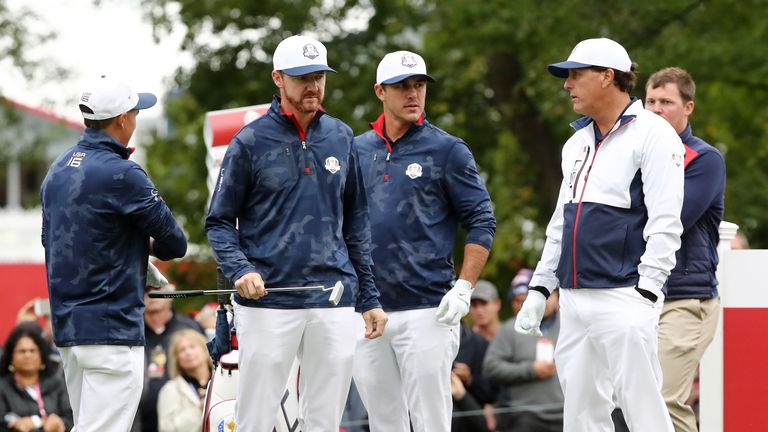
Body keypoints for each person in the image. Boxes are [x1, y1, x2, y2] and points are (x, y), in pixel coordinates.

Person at [205, 34, 388, 431]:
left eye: (319, 75)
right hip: (268, 299)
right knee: (257, 416)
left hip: (334, 296)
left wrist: (369, 296)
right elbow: (219, 222)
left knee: (324, 418)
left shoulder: (341, 136)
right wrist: (240, 270)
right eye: (302, 76)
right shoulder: (249, 141)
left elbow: (356, 221)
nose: (313, 86)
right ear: (278, 78)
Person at [514, 37, 685, 431]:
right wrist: (540, 289)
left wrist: (647, 291)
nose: (566, 84)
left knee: (643, 410)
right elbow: (562, 221)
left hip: (625, 293)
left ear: (608, 77)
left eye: (575, 74)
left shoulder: (654, 134)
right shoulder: (576, 142)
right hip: (574, 297)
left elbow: (666, 222)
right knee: (581, 411)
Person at [352, 50, 496, 432]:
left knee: (431, 422)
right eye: (402, 86)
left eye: (419, 85)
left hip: (428, 308)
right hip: (366, 310)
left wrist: (464, 286)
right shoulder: (356, 149)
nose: (413, 93)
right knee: (384, 423)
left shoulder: (447, 149)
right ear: (380, 91)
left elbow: (481, 219)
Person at [40, 75, 188, 431]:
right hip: (112, 330)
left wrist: (128, 245)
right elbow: (175, 244)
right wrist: (142, 246)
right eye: (135, 112)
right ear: (122, 119)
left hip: (70, 331)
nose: (136, 119)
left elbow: (53, 241)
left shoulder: (58, 168)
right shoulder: (124, 173)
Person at [645, 67, 726, 432]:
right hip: (641, 297)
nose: (657, 109)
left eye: (667, 102)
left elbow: (668, 220)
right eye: (650, 101)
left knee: (662, 401)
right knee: (634, 402)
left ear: (688, 107)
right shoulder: (634, 156)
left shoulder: (705, 160)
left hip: (685, 300)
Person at [484, 272, 563, 432]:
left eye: (549, 294)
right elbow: (490, 367)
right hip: (524, 416)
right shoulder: (511, 328)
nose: (545, 300)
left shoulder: (571, 327)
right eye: (542, 295)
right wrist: (530, 370)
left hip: (567, 414)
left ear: (557, 297)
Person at [139, 282, 204, 432]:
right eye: (146, 289)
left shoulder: (189, 327)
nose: (151, 294)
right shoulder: (131, 332)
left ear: (171, 294)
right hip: (138, 422)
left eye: (156, 288)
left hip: (183, 421)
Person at [0, 322, 73, 432]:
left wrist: (60, 424)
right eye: (22, 351)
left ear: (41, 355)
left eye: (33, 350)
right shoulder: (2, 387)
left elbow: (72, 418)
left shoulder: (57, 384)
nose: (28, 355)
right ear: (11, 357)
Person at [156, 329, 213, 432]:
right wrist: (198, 411)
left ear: (205, 350)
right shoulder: (170, 389)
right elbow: (166, 428)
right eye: (182, 350)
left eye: (192, 346)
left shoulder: (222, 379)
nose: (188, 352)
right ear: (176, 359)